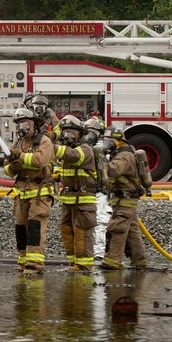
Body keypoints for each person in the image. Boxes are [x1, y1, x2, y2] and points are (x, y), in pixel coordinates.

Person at [3, 107, 56, 275]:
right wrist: (12, 166)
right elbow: (6, 171)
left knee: (35, 229)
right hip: (21, 194)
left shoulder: (44, 141)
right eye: (19, 124)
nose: (22, 127)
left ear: (35, 125)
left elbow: (40, 161)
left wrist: (19, 157)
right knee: (20, 229)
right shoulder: (18, 144)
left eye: (25, 123)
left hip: (40, 194)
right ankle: (23, 262)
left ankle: (34, 265)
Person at [53, 114, 98, 273]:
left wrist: (54, 148)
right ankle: (73, 264)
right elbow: (61, 165)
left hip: (83, 200)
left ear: (80, 134)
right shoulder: (67, 150)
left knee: (82, 232)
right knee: (66, 230)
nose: (68, 136)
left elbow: (75, 157)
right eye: (65, 133)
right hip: (69, 199)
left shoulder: (85, 149)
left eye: (71, 133)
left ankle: (84, 266)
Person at [100, 125, 148, 270]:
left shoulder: (125, 155)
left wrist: (99, 163)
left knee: (117, 227)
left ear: (119, 140)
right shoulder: (119, 152)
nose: (107, 143)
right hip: (123, 197)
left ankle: (113, 260)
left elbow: (115, 169)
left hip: (126, 198)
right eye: (105, 140)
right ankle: (139, 260)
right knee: (132, 230)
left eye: (110, 140)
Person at [81, 117, 112, 261]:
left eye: (92, 132)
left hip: (100, 190)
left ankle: (99, 253)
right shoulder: (84, 147)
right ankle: (90, 252)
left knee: (100, 221)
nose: (89, 135)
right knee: (87, 221)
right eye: (87, 132)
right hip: (88, 190)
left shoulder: (102, 149)